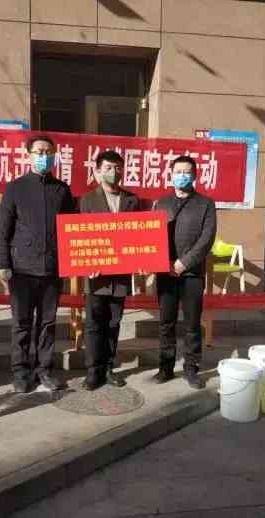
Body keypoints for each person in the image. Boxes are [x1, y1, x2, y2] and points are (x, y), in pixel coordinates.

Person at [0, 135, 75, 393]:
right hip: (21, 269)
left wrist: (73, 262)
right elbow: (3, 229)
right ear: (29, 154)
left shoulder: (62, 190)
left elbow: (72, 229)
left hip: (52, 268)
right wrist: (3, 263)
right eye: (39, 151)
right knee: (21, 323)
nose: (44, 156)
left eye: (49, 152)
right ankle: (21, 372)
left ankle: (44, 370)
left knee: (48, 324)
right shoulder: (15, 188)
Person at [152, 155, 217, 389]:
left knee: (192, 324)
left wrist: (184, 263)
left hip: (192, 274)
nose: (182, 176)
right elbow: (151, 236)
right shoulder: (161, 203)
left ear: (195, 175)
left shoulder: (206, 204)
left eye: (186, 172)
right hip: (165, 273)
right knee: (166, 323)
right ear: (171, 175)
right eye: (178, 171)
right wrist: (161, 262)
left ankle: (191, 368)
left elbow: (207, 238)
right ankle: (166, 367)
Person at [80, 150, 140, 391]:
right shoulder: (87, 200)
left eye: (117, 167)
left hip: (121, 276)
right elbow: (80, 235)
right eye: (108, 167)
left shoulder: (132, 200)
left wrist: (141, 260)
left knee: (114, 323)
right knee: (94, 324)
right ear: (97, 171)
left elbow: (138, 235)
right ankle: (93, 372)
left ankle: (108, 368)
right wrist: (87, 263)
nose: (114, 172)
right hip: (96, 275)